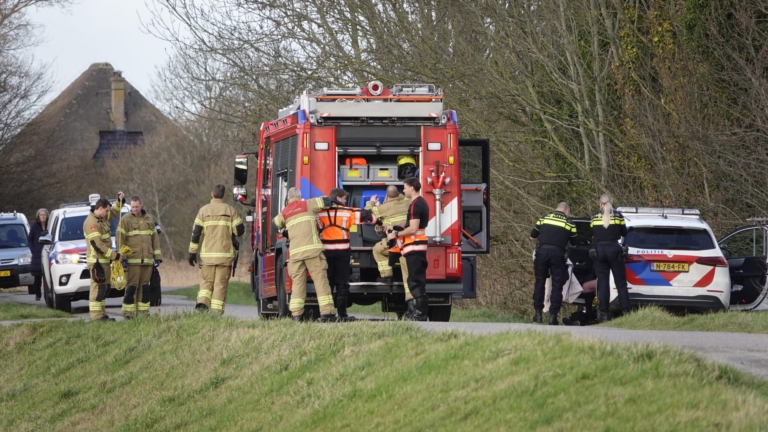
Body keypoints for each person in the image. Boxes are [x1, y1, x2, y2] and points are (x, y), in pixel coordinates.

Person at [273, 187, 336, 322]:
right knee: (320, 281)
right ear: (300, 196)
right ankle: (327, 312)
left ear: (288, 199)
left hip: (296, 254)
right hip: (313, 251)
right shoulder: (308, 203)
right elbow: (327, 201)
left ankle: (296, 314)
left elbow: (276, 223)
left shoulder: (285, 212)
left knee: (298, 284)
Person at [316, 188, 379, 321]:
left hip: (326, 252)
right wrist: (378, 221)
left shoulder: (319, 213)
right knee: (342, 282)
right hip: (342, 252)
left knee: (328, 283)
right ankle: (342, 314)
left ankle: (327, 314)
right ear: (338, 198)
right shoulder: (347, 212)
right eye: (344, 199)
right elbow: (369, 217)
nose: (345, 201)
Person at [188, 184, 245, 315]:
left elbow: (196, 234)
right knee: (220, 285)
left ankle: (202, 304)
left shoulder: (203, 211)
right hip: (224, 256)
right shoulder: (230, 210)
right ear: (224, 195)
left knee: (206, 283)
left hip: (208, 256)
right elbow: (240, 230)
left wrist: (192, 253)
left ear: (212, 194)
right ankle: (216, 314)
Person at [387, 177, 429, 320]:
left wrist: (396, 234)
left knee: (415, 280)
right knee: (416, 279)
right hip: (416, 247)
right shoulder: (420, 202)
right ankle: (418, 311)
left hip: (414, 248)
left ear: (412, 188)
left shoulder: (415, 205)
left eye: (404, 187)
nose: (403, 190)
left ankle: (420, 313)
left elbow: (413, 228)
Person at [530, 202, 578, 325]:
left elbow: (532, 236)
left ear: (556, 208)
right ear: (567, 211)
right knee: (557, 285)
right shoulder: (569, 223)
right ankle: (553, 317)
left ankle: (538, 314)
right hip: (558, 254)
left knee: (540, 282)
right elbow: (574, 244)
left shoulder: (544, 218)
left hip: (542, 253)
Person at [117, 196, 162, 319]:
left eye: (137, 206)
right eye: (132, 207)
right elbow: (121, 240)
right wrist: (123, 258)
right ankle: (128, 314)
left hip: (147, 261)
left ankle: (143, 314)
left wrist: (157, 256)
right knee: (131, 287)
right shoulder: (125, 220)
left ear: (141, 204)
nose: (135, 209)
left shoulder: (149, 220)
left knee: (145, 288)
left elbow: (155, 240)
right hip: (132, 261)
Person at [84, 193, 125, 322]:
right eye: (106, 210)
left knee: (105, 289)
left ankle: (102, 314)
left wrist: (120, 201)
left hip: (105, 261)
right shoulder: (91, 223)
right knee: (97, 289)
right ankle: (96, 317)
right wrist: (115, 256)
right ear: (100, 208)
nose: (108, 213)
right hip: (96, 262)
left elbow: (114, 212)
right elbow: (98, 245)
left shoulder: (102, 218)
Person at [590, 194, 630, 323]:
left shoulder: (594, 217)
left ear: (599, 203)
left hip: (600, 250)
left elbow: (592, 234)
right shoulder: (618, 216)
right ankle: (626, 312)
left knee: (603, 283)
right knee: (621, 283)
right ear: (611, 203)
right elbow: (624, 232)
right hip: (614, 248)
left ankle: (604, 314)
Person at [27, 208, 49, 301]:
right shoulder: (34, 227)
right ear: (38, 216)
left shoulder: (50, 225)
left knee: (47, 276)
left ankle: (48, 294)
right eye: (41, 215)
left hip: (48, 253)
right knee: (37, 277)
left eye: (44, 215)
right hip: (37, 254)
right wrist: (33, 250)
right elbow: (30, 240)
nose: (43, 216)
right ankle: (38, 294)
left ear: (47, 216)